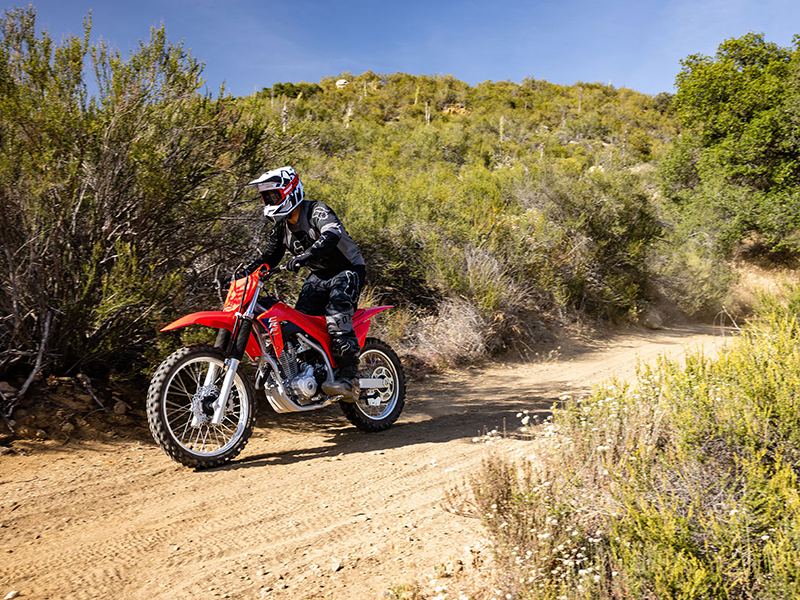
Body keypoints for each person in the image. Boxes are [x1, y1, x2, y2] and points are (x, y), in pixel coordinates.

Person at [238, 166, 366, 401]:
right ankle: (316, 374)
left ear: (290, 191)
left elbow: (331, 233)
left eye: (273, 195)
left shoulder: (316, 211)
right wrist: (243, 274)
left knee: (336, 317)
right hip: (319, 275)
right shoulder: (281, 228)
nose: (269, 201)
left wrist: (307, 255)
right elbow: (269, 257)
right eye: (266, 197)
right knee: (301, 325)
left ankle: (349, 378)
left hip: (347, 270)